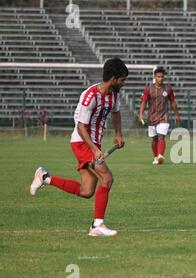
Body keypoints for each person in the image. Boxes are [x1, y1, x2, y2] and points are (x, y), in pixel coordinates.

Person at [30, 57, 128, 237]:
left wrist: (119, 134)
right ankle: (97, 225)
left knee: (87, 191)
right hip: (82, 142)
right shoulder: (90, 96)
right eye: (122, 79)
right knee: (107, 178)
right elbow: (81, 127)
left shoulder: (114, 95)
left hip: (93, 144)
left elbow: (116, 112)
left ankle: (45, 177)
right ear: (113, 78)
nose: (124, 83)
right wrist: (94, 149)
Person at [139, 67, 180, 165]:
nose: (160, 78)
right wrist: (141, 113)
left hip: (164, 117)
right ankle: (156, 157)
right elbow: (144, 102)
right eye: (158, 77)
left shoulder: (168, 89)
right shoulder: (148, 89)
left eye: (162, 77)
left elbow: (173, 102)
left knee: (161, 136)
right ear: (154, 77)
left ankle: (160, 155)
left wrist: (177, 114)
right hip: (151, 117)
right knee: (154, 139)